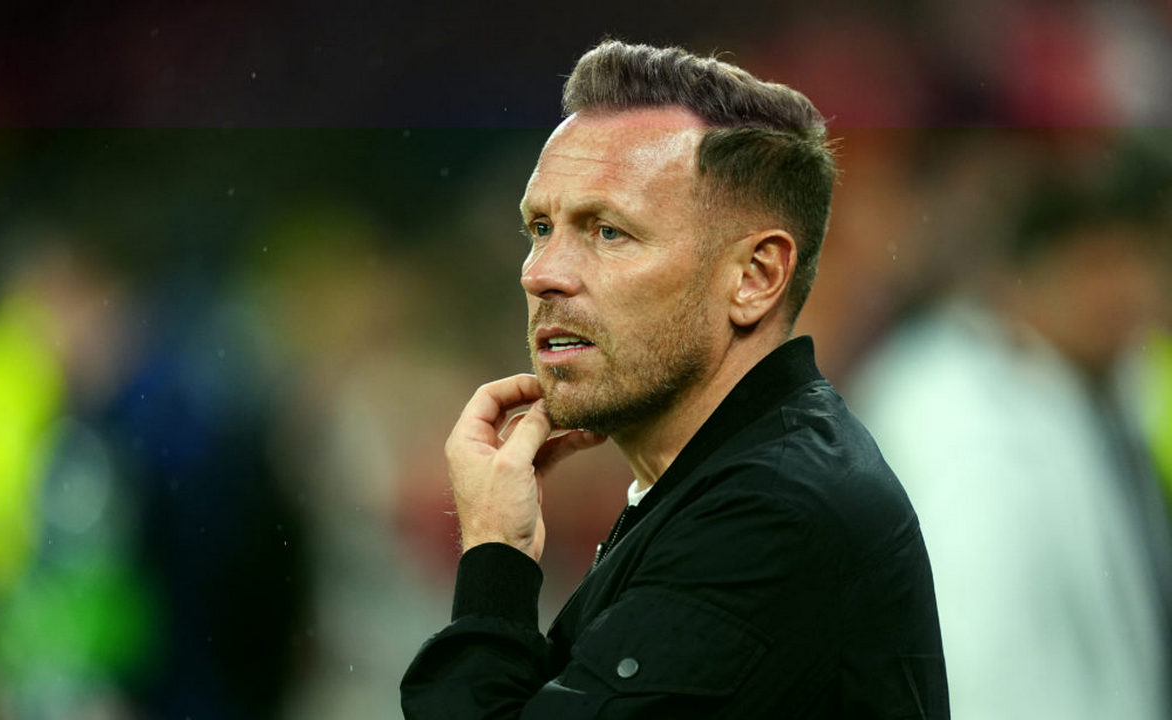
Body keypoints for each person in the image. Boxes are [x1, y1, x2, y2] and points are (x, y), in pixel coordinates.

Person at [401, 40, 948, 718]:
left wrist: (495, 561)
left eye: (608, 231)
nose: (540, 273)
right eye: (539, 227)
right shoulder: (731, 483)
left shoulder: (774, 518)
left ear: (755, 278)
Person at [850, 148, 1172, 719]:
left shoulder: (1098, 383)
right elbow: (967, 658)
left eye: (1138, 263)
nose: (1127, 294)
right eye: (1098, 266)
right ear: (1024, 275)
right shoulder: (945, 409)